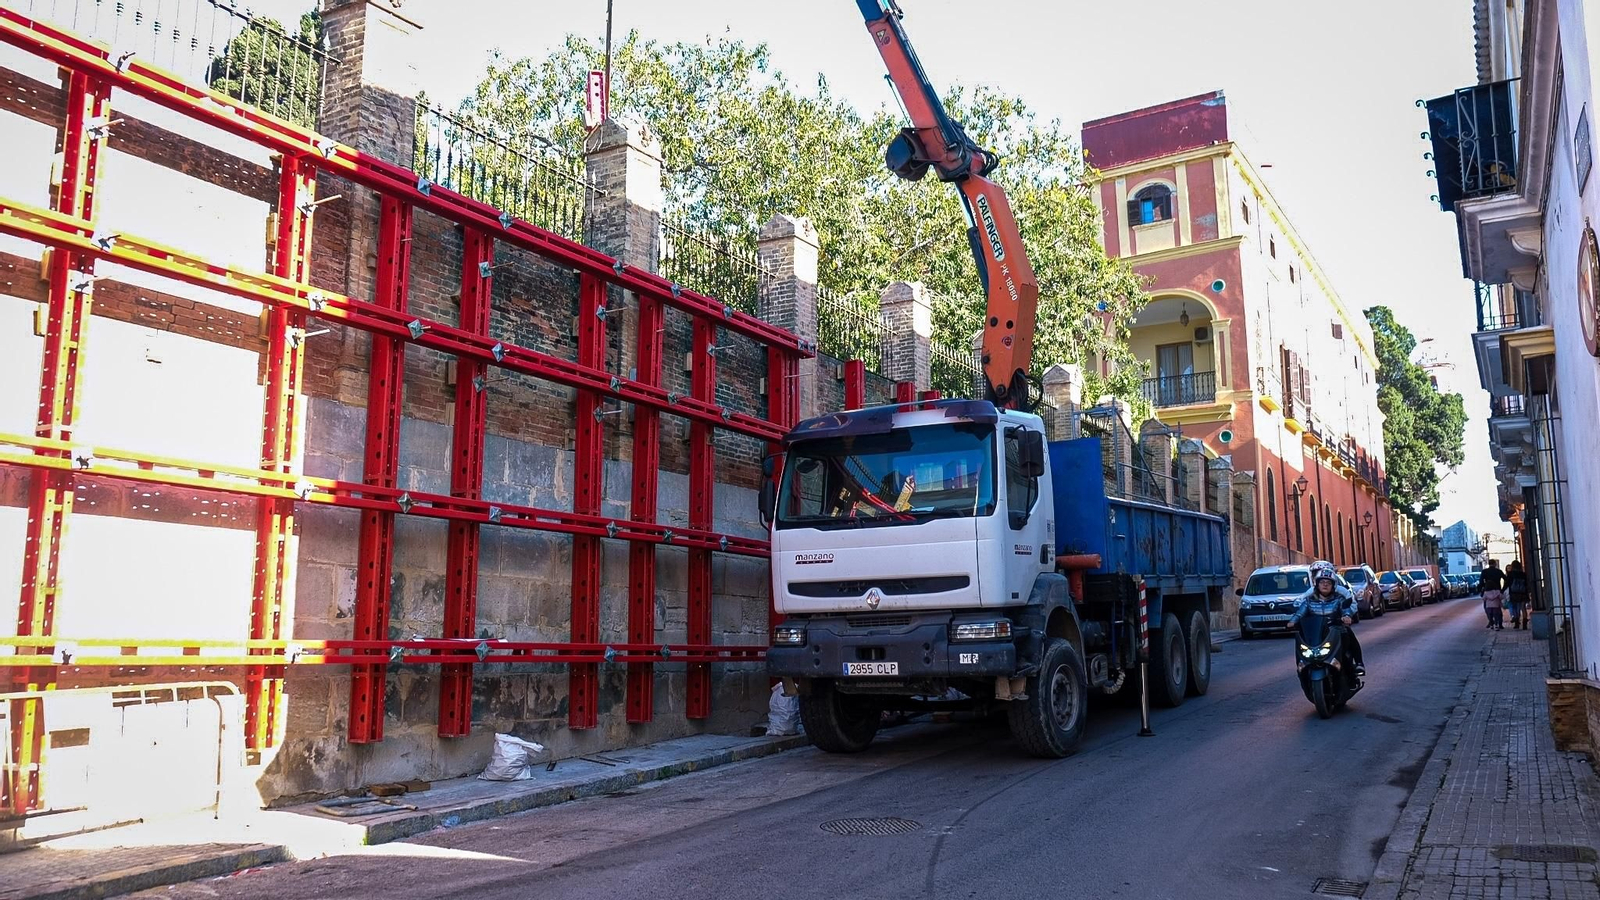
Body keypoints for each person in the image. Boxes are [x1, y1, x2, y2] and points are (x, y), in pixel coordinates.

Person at [1288, 560, 1365, 677]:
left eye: (1328, 582)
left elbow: (1349, 606)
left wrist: (1346, 616)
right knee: (1301, 641)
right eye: (1321, 581)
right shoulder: (1310, 595)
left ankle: (1358, 663)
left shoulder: (1341, 594)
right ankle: (1302, 666)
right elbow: (1300, 607)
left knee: (1348, 635)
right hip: (1316, 630)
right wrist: (1293, 621)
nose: (1325, 584)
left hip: (1335, 628)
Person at [1480, 559, 1507, 631]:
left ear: (1489, 564)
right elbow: (1506, 579)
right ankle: (1499, 623)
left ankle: (1491, 622)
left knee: (1488, 609)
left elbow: (1481, 582)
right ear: (1495, 564)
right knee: (1498, 609)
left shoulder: (1484, 571)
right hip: (1497, 590)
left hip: (1487, 589)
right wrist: (1503, 589)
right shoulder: (1498, 571)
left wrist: (1482, 590)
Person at [1507, 560, 1530, 629]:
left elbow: (1507, 583)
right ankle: (1525, 624)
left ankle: (1517, 623)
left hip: (1514, 593)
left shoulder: (1511, 574)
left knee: (1515, 607)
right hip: (1523, 593)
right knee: (1523, 608)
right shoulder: (1523, 574)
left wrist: (1502, 591)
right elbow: (1526, 584)